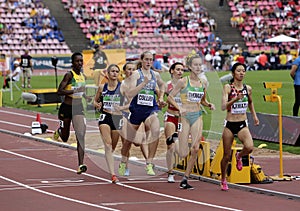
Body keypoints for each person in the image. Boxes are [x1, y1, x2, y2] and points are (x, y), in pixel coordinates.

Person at [168, 54, 215, 189]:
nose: (198, 67)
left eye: (200, 65)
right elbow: (170, 98)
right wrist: (180, 107)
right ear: (189, 67)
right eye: (195, 65)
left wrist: (209, 104)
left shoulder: (203, 83)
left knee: (195, 148)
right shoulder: (183, 81)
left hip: (197, 116)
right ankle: (174, 139)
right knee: (183, 153)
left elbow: (203, 100)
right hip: (185, 117)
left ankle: (185, 179)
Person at [123, 51, 166, 176]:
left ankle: (149, 162)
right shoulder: (136, 74)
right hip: (136, 110)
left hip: (150, 110)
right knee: (130, 141)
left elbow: (161, 85)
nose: (148, 62)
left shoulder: (155, 74)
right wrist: (143, 83)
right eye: (146, 59)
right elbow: (130, 94)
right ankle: (123, 162)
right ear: (142, 60)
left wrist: (161, 97)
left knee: (156, 131)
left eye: (151, 60)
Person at [220, 62, 259, 191]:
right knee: (226, 156)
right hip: (230, 124)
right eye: (239, 71)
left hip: (242, 123)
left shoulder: (248, 88)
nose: (241, 73)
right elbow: (223, 106)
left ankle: (238, 156)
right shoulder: (228, 88)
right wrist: (236, 99)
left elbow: (251, 103)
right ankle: (223, 179)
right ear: (233, 73)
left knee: (249, 147)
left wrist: (254, 116)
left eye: (243, 71)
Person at [53, 52, 90, 174]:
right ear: (72, 62)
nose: (79, 63)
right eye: (77, 61)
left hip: (78, 108)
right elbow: (59, 91)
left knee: (81, 135)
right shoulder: (69, 75)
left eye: (81, 61)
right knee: (65, 138)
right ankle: (59, 131)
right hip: (66, 108)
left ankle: (81, 164)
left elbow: (82, 91)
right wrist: (74, 90)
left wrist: (87, 97)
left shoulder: (83, 76)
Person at [93, 64, 123, 183]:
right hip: (105, 117)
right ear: (108, 74)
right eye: (112, 71)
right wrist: (96, 104)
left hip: (117, 118)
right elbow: (95, 100)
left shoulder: (123, 88)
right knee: (108, 144)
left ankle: (108, 157)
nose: (115, 73)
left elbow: (130, 103)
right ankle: (113, 175)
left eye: (117, 71)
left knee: (112, 148)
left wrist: (122, 107)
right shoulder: (102, 87)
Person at [164, 62, 184, 183]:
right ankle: (170, 172)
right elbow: (162, 98)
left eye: (182, 70)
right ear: (172, 71)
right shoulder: (167, 85)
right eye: (177, 69)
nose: (180, 72)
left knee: (180, 148)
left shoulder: (186, 85)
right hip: (171, 116)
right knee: (171, 146)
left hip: (183, 119)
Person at [118, 61, 138, 176]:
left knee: (137, 142)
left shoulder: (140, 83)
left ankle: (148, 163)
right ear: (124, 71)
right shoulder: (122, 85)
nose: (131, 71)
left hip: (137, 115)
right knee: (126, 142)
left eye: (133, 69)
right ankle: (124, 165)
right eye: (129, 69)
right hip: (125, 115)